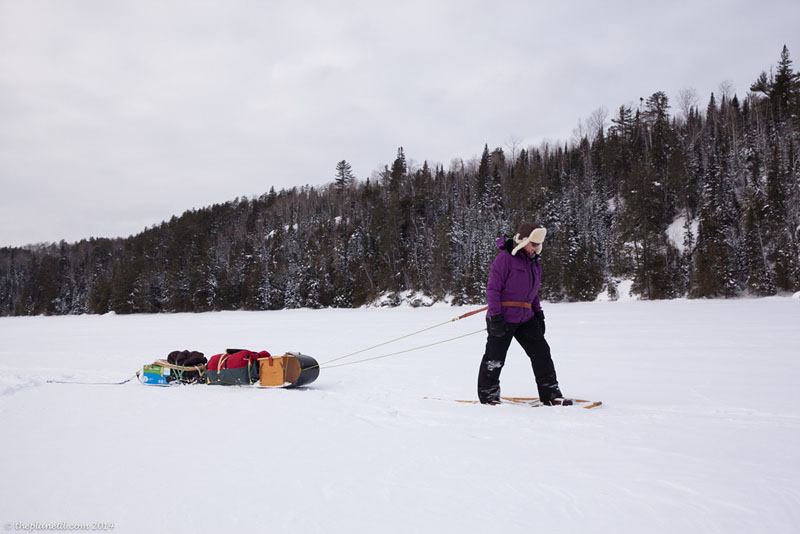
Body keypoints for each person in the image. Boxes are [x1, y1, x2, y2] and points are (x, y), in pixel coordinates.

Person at [477, 221, 570, 405]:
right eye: (534, 243)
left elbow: (533, 293)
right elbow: (493, 290)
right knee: (495, 358)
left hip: (526, 318)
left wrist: (538, 313)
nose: (536, 248)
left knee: (542, 352)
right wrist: (495, 316)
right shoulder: (504, 259)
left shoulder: (534, 264)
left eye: (539, 244)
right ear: (523, 240)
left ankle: (551, 395)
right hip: (503, 317)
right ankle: (489, 396)